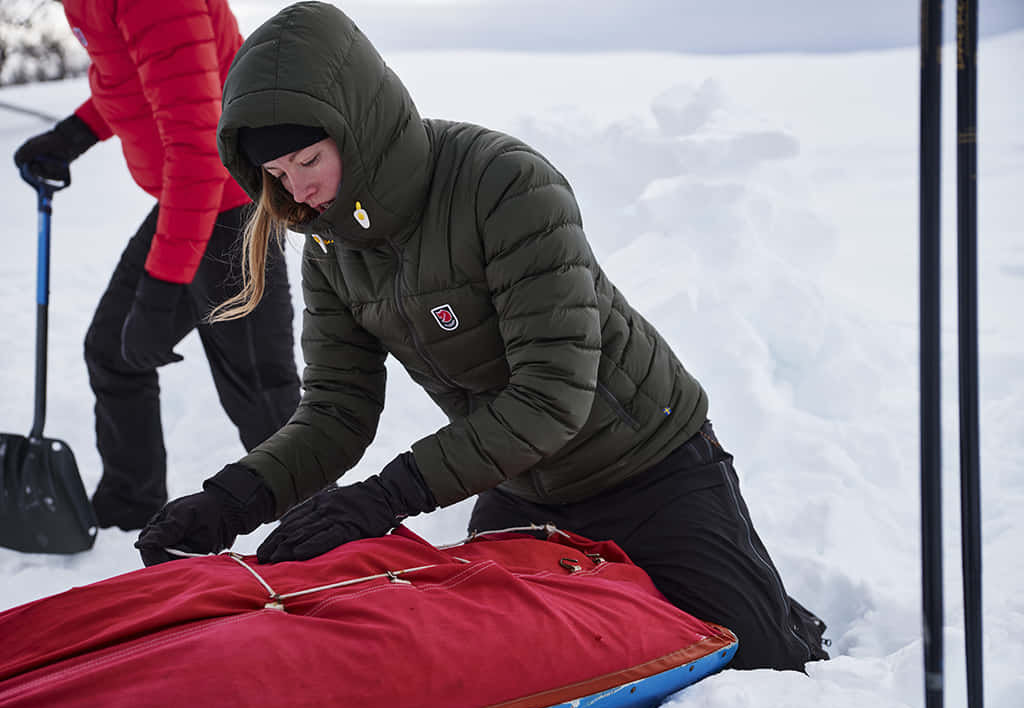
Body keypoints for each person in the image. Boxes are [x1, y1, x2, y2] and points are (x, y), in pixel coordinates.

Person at [136, 1, 829, 671]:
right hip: (524, 486)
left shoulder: (504, 184)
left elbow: (552, 396)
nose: (297, 191)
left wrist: (384, 497)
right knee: (506, 668)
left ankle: (769, 602)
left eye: (308, 160)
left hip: (649, 466)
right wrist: (233, 500)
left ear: (357, 126)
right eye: (277, 175)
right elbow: (337, 409)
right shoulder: (330, 245)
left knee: (759, 661)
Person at [12, 0, 301, 531]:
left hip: (230, 198)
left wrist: (161, 290)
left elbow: (199, 147)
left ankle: (320, 532)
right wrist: (76, 132)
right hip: (190, 198)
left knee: (261, 391)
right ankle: (131, 502)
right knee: (114, 351)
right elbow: (143, 81)